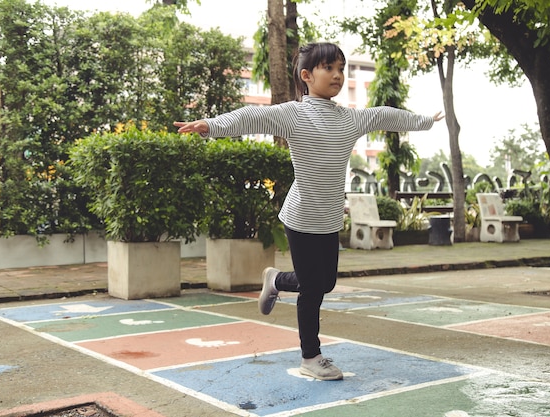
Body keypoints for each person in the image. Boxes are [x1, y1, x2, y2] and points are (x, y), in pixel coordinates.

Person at [174, 42, 444, 381]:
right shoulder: (294, 114)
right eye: (328, 68)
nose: (337, 75)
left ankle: (276, 279)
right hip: (301, 216)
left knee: (324, 282)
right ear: (306, 75)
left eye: (341, 68)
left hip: (329, 218)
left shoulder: (350, 119)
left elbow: (385, 114)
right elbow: (251, 116)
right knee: (313, 288)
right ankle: (311, 356)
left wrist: (425, 121)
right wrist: (211, 126)